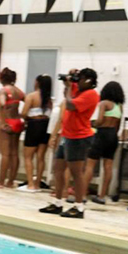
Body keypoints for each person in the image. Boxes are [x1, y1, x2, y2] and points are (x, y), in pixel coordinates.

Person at [40, 68, 99, 218]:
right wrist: (68, 83)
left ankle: (79, 207)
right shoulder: (78, 90)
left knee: (76, 173)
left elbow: (71, 104)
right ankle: (58, 203)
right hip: (67, 135)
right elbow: (69, 90)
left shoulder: (91, 94)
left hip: (79, 137)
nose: (77, 82)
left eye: (80, 79)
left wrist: (68, 91)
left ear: (89, 81)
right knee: (58, 169)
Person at [85, 81, 125, 205]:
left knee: (90, 164)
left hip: (102, 134)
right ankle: (102, 196)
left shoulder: (103, 103)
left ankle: (81, 194)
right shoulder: (120, 107)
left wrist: (92, 123)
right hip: (113, 136)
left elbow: (100, 121)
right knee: (108, 167)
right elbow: (118, 126)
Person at [18, 75, 54, 192]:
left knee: (28, 156)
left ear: (37, 83)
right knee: (41, 157)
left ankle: (30, 184)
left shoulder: (31, 96)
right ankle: (38, 183)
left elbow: (23, 113)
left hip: (34, 125)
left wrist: (27, 118)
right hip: (46, 126)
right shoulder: (49, 100)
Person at [0, 68, 25, 189]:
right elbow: (27, 103)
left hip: (6, 123)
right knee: (14, 154)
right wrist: (22, 117)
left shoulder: (3, 91)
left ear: (1, 78)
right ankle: (10, 181)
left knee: (5, 154)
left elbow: (2, 103)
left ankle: (0, 182)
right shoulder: (19, 92)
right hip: (17, 123)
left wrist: (3, 121)